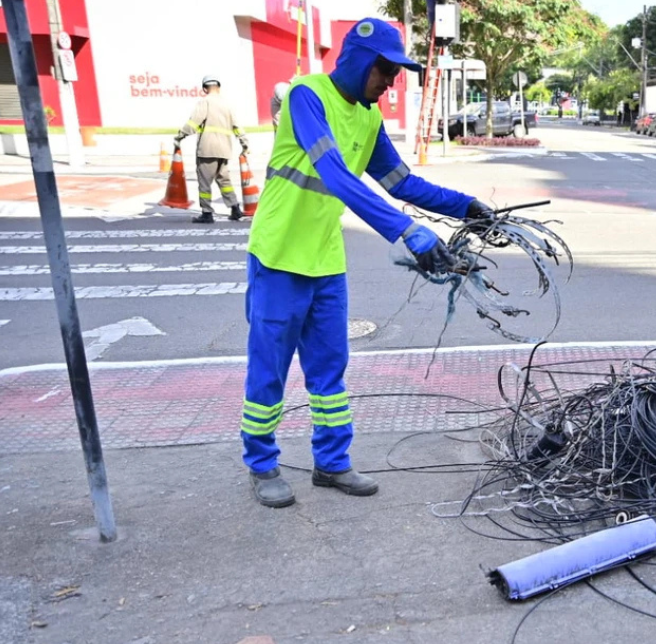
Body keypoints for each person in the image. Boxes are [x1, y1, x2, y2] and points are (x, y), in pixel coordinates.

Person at [242, 18, 496, 508]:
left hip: (324, 261)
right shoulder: (306, 97)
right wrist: (408, 231)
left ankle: (332, 463)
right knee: (269, 369)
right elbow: (335, 174)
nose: (390, 82)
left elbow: (401, 183)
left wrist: (467, 206)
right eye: (385, 70)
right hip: (276, 256)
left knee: (330, 370)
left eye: (396, 73)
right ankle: (262, 464)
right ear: (360, 61)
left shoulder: (369, 119)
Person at [175, 77, 249, 223]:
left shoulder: (205, 102)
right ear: (219, 87)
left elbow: (193, 123)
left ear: (204, 89)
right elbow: (237, 126)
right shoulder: (227, 104)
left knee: (204, 182)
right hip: (225, 149)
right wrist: (244, 143)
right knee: (224, 180)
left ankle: (207, 213)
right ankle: (235, 208)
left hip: (208, 149)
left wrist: (180, 136)